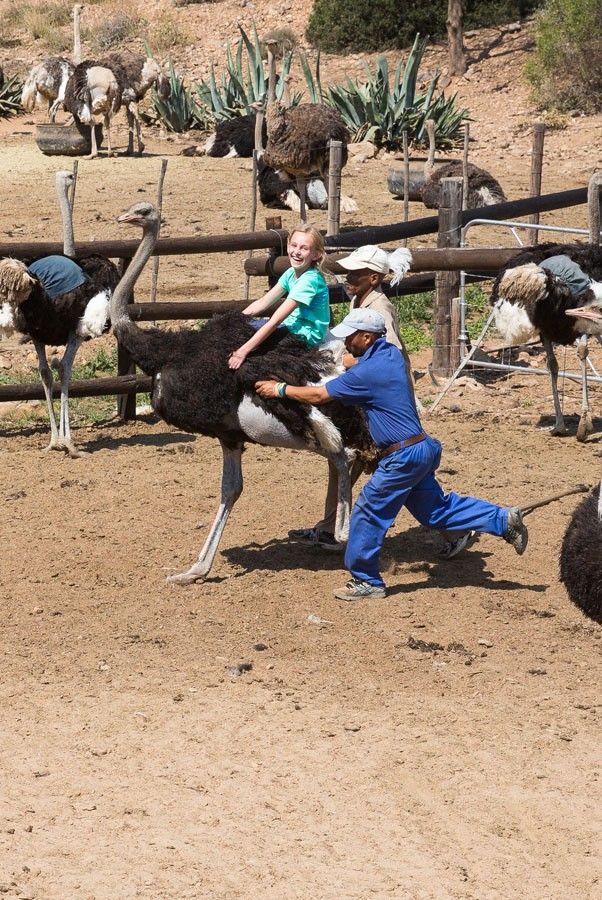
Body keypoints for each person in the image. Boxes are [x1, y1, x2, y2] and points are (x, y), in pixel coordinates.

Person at [255, 308, 528, 601]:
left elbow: (320, 396)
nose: (345, 341)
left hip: (401, 458)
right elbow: (357, 360)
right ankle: (502, 519)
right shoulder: (391, 356)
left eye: (350, 337)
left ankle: (367, 581)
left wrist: (280, 389)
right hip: (421, 449)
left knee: (368, 512)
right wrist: (350, 360)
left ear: (367, 336)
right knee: (436, 510)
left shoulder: (367, 373)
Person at [287, 243, 417, 551]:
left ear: (373, 278)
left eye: (354, 274)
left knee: (392, 468)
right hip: (368, 400)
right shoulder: (361, 300)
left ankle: (334, 527)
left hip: (381, 404)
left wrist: (347, 362)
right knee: (353, 461)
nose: (347, 279)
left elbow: (391, 356)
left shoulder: (378, 307)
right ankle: (329, 526)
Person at [228, 224, 329, 369]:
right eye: (294, 245)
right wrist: (235, 321)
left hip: (305, 335)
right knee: (240, 330)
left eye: (304, 248)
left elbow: (275, 321)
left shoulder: (309, 281)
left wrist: (242, 352)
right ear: (288, 245)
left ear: (316, 254)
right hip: (291, 326)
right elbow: (263, 302)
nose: (296, 252)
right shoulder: (291, 273)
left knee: (248, 344)